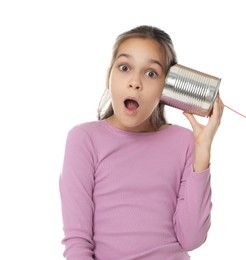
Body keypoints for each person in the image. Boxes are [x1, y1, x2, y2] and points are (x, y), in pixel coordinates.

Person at [59, 25, 224, 260]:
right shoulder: (84, 140)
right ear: (109, 77)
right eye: (125, 68)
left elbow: (192, 238)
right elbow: (77, 243)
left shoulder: (185, 142)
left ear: (166, 87)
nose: (135, 82)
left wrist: (203, 150)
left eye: (151, 73)